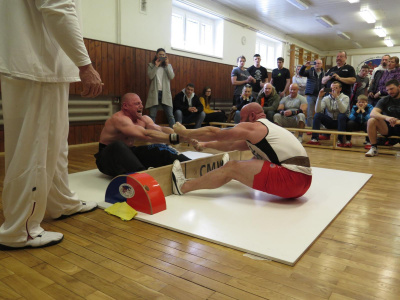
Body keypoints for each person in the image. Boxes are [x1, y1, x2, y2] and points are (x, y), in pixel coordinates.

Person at [0, 0, 103, 250]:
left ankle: (61, 201)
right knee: (35, 150)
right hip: (38, 65)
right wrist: (85, 65)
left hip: (38, 64)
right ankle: (19, 229)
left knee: (55, 146)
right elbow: (58, 8)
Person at [171, 103, 312, 199]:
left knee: (232, 167)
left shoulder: (255, 127)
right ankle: (232, 172)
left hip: (293, 179)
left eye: (241, 119)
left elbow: (216, 133)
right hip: (303, 182)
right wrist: (204, 144)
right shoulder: (269, 129)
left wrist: (186, 132)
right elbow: (232, 145)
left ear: (251, 116)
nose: (238, 123)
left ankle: (183, 187)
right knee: (255, 159)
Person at [95, 93, 191, 176]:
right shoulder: (119, 119)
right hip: (107, 158)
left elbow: (161, 129)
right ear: (125, 106)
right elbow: (146, 135)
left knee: (162, 148)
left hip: (128, 153)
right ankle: (142, 177)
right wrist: (175, 138)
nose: (141, 106)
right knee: (118, 145)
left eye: (141, 103)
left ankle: (190, 163)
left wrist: (186, 135)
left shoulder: (143, 119)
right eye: (137, 104)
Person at [306, 81, 350, 147]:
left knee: (341, 115)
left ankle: (340, 140)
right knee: (317, 115)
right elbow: (317, 110)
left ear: (340, 89)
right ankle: (315, 139)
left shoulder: (345, 97)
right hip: (330, 122)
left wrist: (337, 98)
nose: (333, 90)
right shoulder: (326, 98)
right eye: (332, 88)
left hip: (342, 122)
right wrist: (319, 97)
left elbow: (343, 111)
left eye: (336, 88)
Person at [365, 79, 400, 157]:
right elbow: (372, 113)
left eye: (392, 89)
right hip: (388, 128)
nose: (390, 92)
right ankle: (374, 148)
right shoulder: (385, 99)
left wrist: (396, 121)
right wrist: (387, 118)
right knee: (371, 120)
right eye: (387, 90)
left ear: (399, 87)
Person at [146, 48, 175, 127]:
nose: (162, 56)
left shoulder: (168, 66)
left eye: (163, 55)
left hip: (165, 93)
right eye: (160, 55)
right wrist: (156, 66)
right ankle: (152, 134)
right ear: (156, 55)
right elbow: (150, 76)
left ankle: (175, 134)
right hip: (154, 92)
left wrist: (167, 65)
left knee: (170, 115)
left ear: (165, 56)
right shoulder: (151, 65)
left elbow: (171, 76)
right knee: (152, 115)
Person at [299, 60, 325, 127]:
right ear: (313, 64)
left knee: (320, 112)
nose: (317, 64)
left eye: (319, 63)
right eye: (315, 63)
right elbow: (301, 73)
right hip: (311, 95)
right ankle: (310, 127)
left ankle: (320, 127)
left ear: (321, 64)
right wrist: (304, 66)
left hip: (320, 96)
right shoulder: (310, 71)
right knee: (309, 113)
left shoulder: (324, 73)